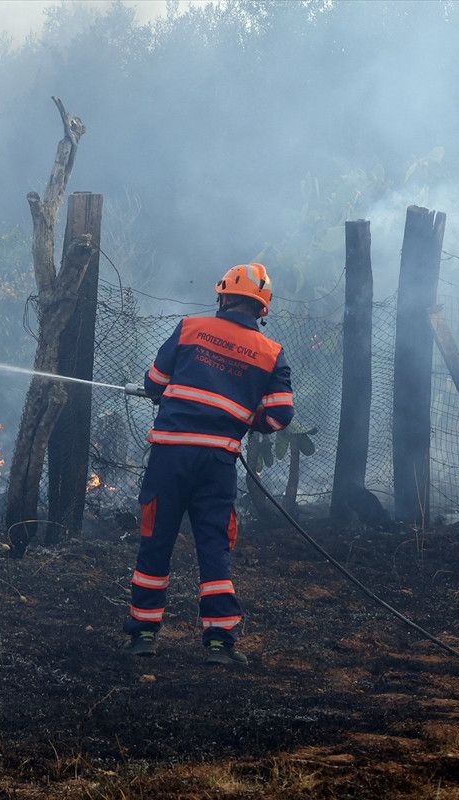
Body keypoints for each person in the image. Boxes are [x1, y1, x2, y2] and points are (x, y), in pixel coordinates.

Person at [124, 263, 294, 665]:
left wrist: (167, 395)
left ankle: (143, 636)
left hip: (170, 455)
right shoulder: (272, 353)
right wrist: (240, 417)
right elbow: (278, 416)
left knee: (156, 541)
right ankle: (219, 641)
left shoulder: (190, 329)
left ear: (222, 295)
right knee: (214, 546)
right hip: (218, 461)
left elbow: (154, 382)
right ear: (262, 310)